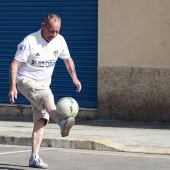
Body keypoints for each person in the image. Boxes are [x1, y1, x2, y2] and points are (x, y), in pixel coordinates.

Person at [8, 13, 82, 169]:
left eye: (57, 31)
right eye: (51, 31)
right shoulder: (30, 41)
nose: (54, 35)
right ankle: (62, 122)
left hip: (43, 84)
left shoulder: (59, 41)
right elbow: (14, 65)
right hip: (25, 81)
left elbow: (68, 60)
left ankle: (34, 157)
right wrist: (13, 86)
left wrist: (74, 78)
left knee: (41, 120)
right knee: (48, 96)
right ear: (43, 26)